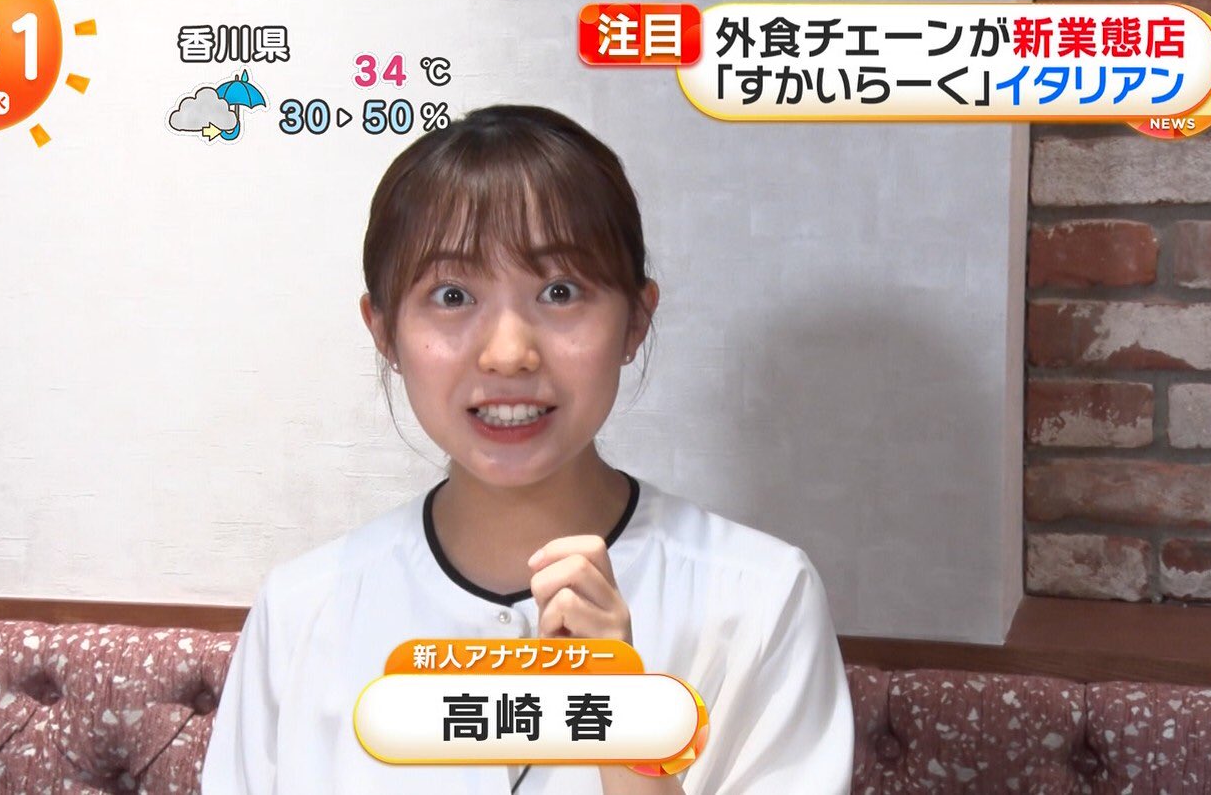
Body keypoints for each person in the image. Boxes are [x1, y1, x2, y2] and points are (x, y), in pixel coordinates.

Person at [201, 105, 853, 794]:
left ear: (635, 320)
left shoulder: (761, 599)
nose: (509, 353)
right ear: (384, 331)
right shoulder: (302, 612)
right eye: (453, 294)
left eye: (559, 291)